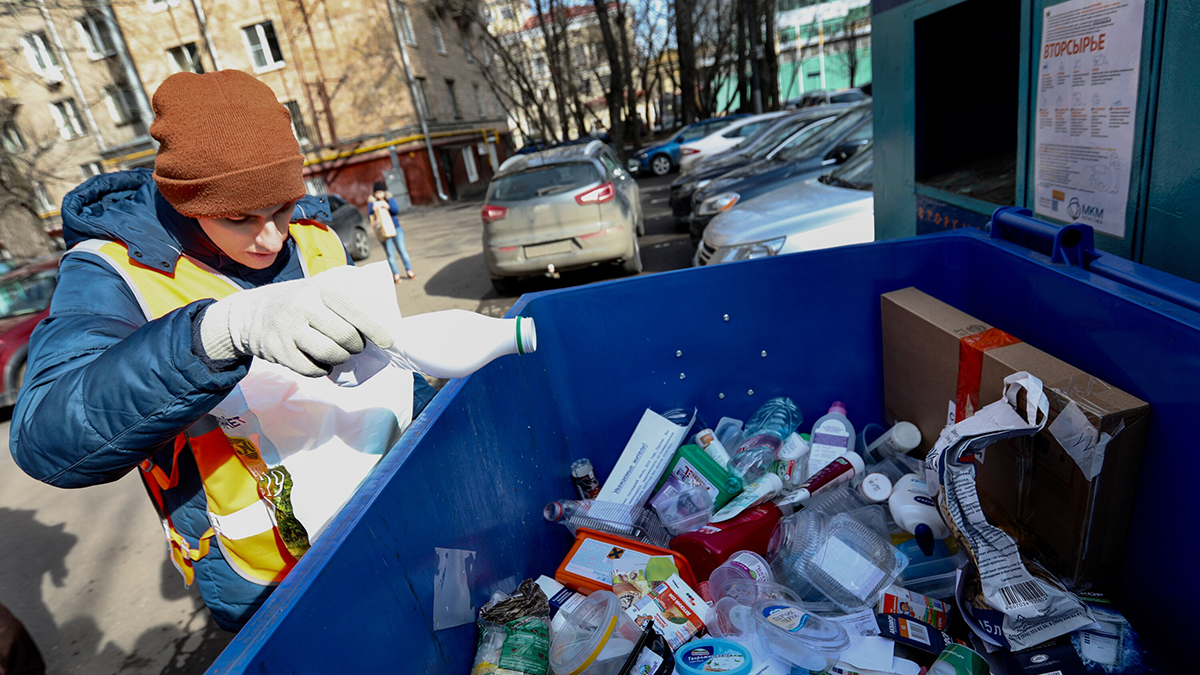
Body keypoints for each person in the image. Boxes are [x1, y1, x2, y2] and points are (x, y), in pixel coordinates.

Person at [8, 70, 435, 631]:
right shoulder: (111, 273)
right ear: (187, 202)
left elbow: (381, 366)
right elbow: (47, 437)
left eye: (283, 207)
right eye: (239, 218)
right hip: (263, 573)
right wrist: (215, 334)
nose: (271, 238)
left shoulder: (312, 232)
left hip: (384, 514)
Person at [367, 182, 414, 283]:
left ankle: (409, 270)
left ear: (384, 192)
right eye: (377, 193)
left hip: (396, 228)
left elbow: (395, 210)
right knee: (390, 253)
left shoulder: (389, 198)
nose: (379, 195)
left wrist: (386, 205)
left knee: (402, 250)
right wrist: (374, 208)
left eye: (380, 192)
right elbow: (369, 216)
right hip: (384, 231)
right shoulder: (372, 202)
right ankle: (396, 274)